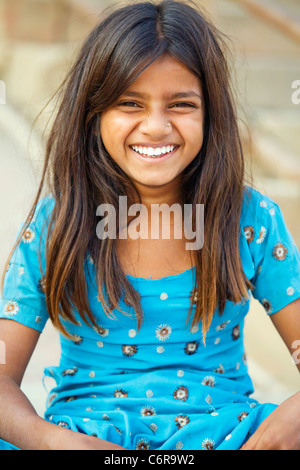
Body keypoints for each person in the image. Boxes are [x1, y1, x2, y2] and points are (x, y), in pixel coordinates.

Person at [0, 0, 299, 451]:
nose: (156, 127)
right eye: (129, 103)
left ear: (211, 115)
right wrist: (49, 440)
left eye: (181, 104)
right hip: (84, 439)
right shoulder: (56, 225)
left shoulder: (250, 221)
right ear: (93, 114)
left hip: (230, 436)